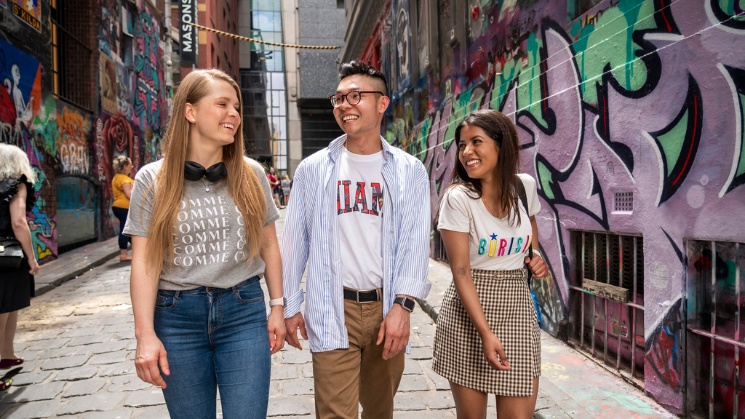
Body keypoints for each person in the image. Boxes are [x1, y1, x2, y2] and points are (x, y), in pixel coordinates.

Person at [124, 69, 285, 419]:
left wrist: (277, 307)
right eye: (222, 104)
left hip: (243, 312)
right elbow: (145, 263)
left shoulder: (252, 173)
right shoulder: (152, 179)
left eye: (237, 107)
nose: (234, 115)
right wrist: (145, 336)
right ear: (190, 111)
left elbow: (269, 246)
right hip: (177, 319)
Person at [282, 61, 431, 418]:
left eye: (355, 96)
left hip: (387, 308)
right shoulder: (314, 169)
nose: (344, 105)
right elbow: (294, 243)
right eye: (339, 98)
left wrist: (403, 308)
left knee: (380, 411)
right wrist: (289, 305)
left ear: (382, 103)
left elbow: (414, 243)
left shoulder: (409, 170)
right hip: (332, 306)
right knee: (335, 413)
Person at [432, 109, 548, 418]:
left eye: (476, 142)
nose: (467, 151)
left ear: (502, 145)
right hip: (469, 310)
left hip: (517, 307)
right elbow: (460, 272)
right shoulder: (458, 198)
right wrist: (485, 333)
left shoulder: (523, 187)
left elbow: (530, 228)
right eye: (462, 144)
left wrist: (534, 256)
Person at [0, 143, 40, 390]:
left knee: (10, 305)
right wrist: (32, 258)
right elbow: (18, 222)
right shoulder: (17, 184)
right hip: (7, 258)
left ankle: (7, 353)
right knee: (3, 308)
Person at [111, 156, 134, 262]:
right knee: (125, 230)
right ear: (125, 166)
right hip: (124, 207)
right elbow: (129, 194)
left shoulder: (117, 177)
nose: (132, 166)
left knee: (128, 230)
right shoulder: (124, 179)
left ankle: (139, 251)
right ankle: (123, 254)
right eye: (130, 164)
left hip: (119, 206)